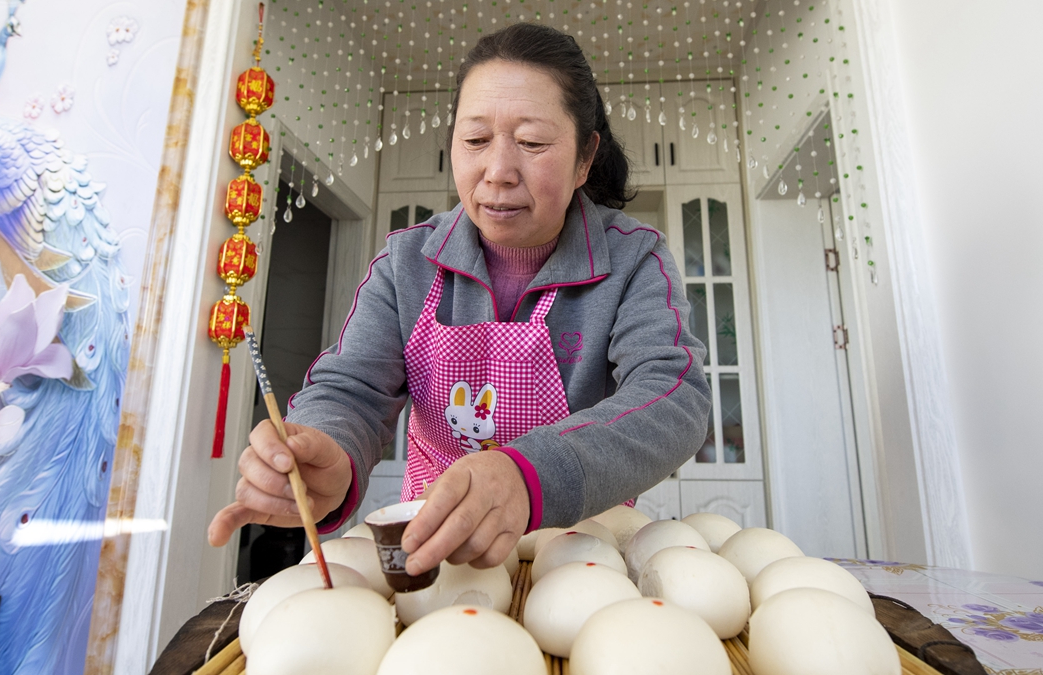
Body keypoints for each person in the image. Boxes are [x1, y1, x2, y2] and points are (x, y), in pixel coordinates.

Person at [208, 23, 711, 577]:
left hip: (580, 552)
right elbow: (352, 388)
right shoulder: (407, 263)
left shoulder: (634, 259)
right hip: (436, 546)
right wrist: (327, 451)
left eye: (533, 143)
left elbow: (671, 394)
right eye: (475, 141)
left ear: (585, 158)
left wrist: (527, 475)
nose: (497, 173)